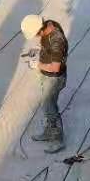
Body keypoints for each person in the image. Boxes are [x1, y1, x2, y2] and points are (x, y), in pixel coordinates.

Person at [20, 14, 68, 152]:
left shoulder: (57, 41)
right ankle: (48, 132)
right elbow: (48, 49)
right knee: (47, 106)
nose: (36, 37)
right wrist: (38, 53)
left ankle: (58, 140)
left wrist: (38, 64)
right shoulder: (50, 24)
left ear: (40, 30)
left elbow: (55, 67)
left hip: (54, 79)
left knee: (50, 107)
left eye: (36, 35)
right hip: (47, 76)